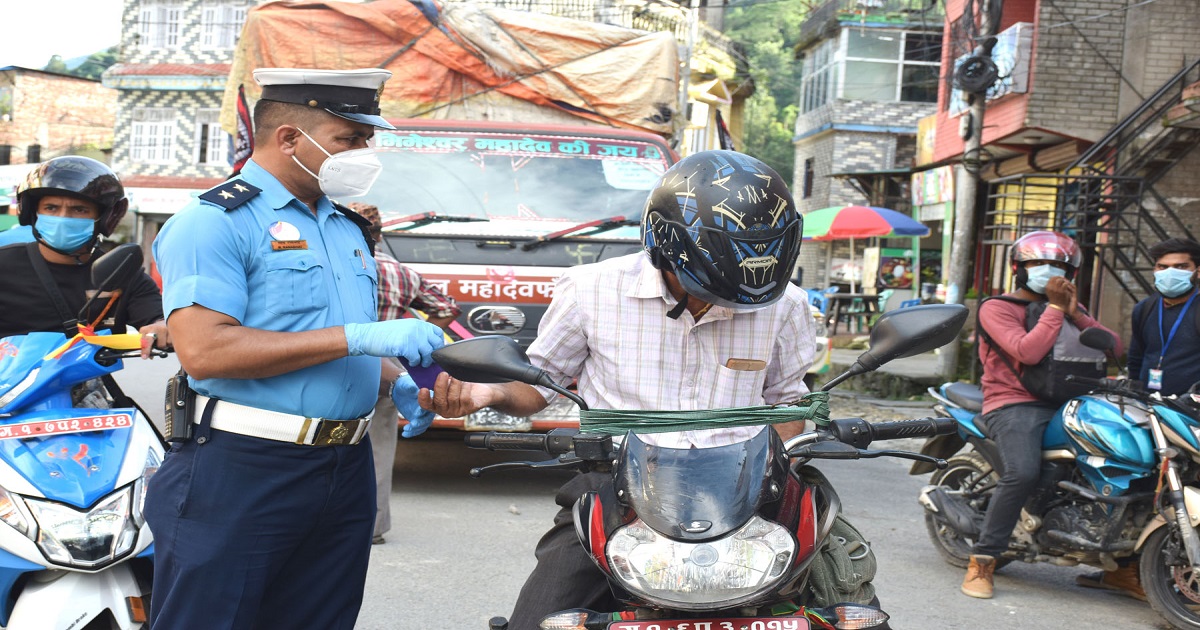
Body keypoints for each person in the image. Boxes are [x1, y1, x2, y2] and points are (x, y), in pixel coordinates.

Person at [423, 151, 849, 629]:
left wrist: (788, 455)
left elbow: (787, 405)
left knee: (843, 604)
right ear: (667, 246)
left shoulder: (784, 305)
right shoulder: (590, 290)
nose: (722, 305)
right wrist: (486, 395)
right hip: (617, 485)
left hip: (744, 493)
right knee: (538, 619)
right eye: (708, 289)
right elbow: (540, 384)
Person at [144, 68, 445, 629]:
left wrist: (391, 377)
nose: (364, 154)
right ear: (289, 138)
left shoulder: (344, 227)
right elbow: (205, 352)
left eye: (366, 141)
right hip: (243, 466)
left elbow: (323, 333)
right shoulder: (214, 223)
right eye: (349, 140)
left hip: (344, 465)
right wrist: (360, 337)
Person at [962, 230, 1121, 599]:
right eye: (1036, 264)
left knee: (1116, 465)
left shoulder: (1069, 310)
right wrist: (1053, 309)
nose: (1047, 271)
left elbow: (1113, 345)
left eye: (1058, 266)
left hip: (1071, 401)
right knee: (1022, 472)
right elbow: (1027, 352)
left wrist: (1074, 311)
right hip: (1014, 403)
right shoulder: (996, 307)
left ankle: (1123, 570)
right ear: (1018, 268)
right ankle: (983, 561)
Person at [1074, 237, 1200, 600]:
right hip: (1148, 409)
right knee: (1135, 478)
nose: (1170, 273)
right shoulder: (1145, 309)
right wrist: (1129, 385)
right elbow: (1138, 358)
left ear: (1196, 271)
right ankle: (1122, 568)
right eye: (1162, 267)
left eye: (1181, 266)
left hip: (1188, 414)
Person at [346, 201, 462, 545]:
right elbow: (447, 307)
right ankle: (375, 527)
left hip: (340, 358)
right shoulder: (401, 272)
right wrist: (416, 338)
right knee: (379, 445)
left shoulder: (342, 265)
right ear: (380, 234)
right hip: (391, 369)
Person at [0, 156, 169, 359]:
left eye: (79, 209)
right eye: (51, 208)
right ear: (32, 213)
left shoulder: (121, 273)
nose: (63, 218)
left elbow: (159, 318)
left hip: (82, 387)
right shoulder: (5, 264)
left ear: (105, 218)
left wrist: (162, 327)